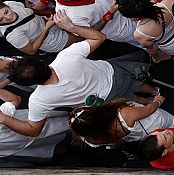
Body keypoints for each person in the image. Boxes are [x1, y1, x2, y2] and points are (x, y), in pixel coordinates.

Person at [0, 24, 152, 137]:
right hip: (115, 73)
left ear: (30, 84)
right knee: (141, 84)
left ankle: (152, 102)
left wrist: (4, 119)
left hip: (108, 99)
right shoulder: (66, 57)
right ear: (40, 61)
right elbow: (99, 37)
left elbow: (33, 130)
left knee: (135, 100)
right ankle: (156, 91)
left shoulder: (38, 100)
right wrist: (71, 27)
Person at [69, 96, 174, 147]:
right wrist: (158, 101)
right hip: (155, 121)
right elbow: (149, 110)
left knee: (169, 138)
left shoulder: (91, 139)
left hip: (143, 136)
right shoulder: (123, 115)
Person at [117, 0, 174, 65]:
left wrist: (156, 58)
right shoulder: (165, 3)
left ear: (133, 17)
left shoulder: (140, 33)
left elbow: (153, 50)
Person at [0, 0, 76, 55]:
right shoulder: (13, 35)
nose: (8, 17)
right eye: (1, 20)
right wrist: (46, 28)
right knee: (80, 37)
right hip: (52, 40)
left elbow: (28, 10)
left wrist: (50, 13)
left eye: (6, 12)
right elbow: (32, 51)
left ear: (7, 6)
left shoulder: (10, 3)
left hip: (49, 22)